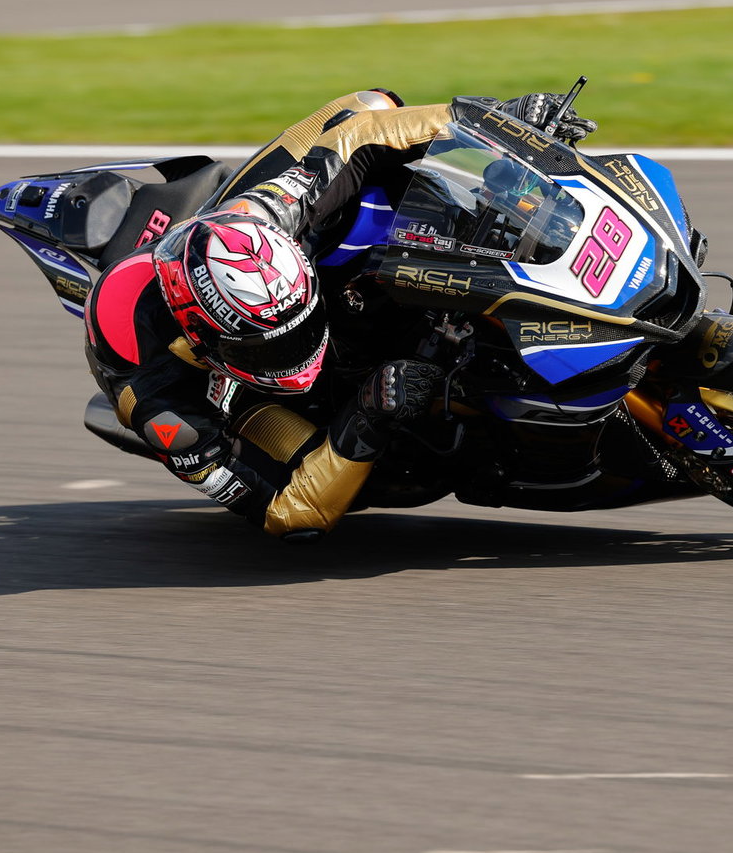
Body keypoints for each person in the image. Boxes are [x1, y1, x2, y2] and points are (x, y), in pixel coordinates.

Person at [82, 88, 596, 542]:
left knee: (372, 103)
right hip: (219, 389)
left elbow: (359, 134)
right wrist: (366, 415)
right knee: (337, 463)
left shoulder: (267, 213)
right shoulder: (160, 401)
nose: (304, 348)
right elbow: (286, 514)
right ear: (207, 339)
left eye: (299, 326)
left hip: (234, 232)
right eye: (277, 345)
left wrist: (498, 120)